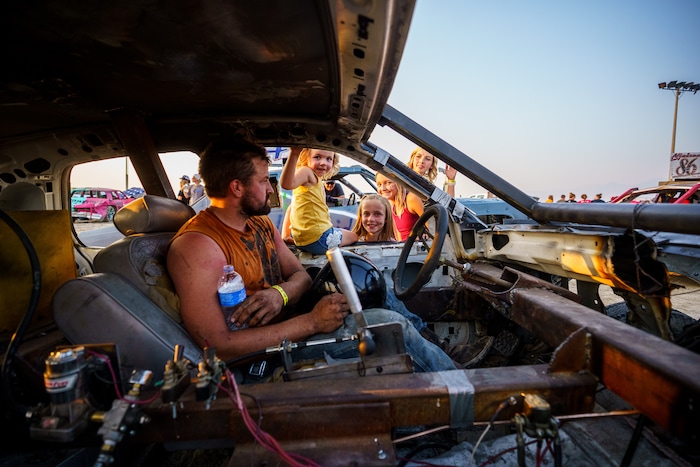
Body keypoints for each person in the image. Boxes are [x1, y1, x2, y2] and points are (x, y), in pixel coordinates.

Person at [166, 138, 456, 372]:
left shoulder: (259, 222)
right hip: (264, 357)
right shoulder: (198, 245)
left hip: (290, 323)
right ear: (237, 187)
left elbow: (300, 276)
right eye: (265, 181)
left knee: (371, 280)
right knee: (389, 327)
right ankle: (465, 391)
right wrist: (312, 323)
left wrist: (278, 295)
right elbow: (218, 345)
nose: (271, 189)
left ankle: (435, 347)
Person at [280, 148, 357, 254]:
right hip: (320, 238)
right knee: (354, 236)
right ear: (306, 158)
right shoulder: (306, 172)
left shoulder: (312, 182)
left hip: (302, 242)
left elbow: (291, 207)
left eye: (329, 159)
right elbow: (286, 184)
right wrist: (294, 153)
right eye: (317, 157)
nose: (323, 163)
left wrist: (285, 235)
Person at [376, 172, 424, 241]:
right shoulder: (390, 205)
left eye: (388, 183)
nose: (383, 188)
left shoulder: (411, 198)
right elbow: (399, 238)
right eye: (379, 184)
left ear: (399, 182)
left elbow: (432, 229)